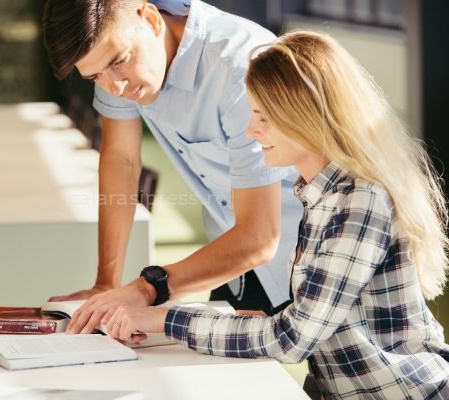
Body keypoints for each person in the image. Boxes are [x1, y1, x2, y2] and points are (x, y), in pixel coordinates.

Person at [104, 30, 449, 399]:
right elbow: (310, 324)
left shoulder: (360, 201)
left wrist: (166, 319)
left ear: (307, 117)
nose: (251, 130)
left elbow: (292, 339)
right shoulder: (318, 195)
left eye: (263, 117)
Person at [42, 0, 304, 333]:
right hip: (233, 256)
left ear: (151, 20)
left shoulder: (240, 68)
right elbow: (121, 159)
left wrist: (148, 288)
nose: (115, 87)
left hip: (312, 254)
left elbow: (260, 237)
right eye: (95, 77)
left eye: (119, 61)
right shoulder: (116, 62)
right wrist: (105, 282)